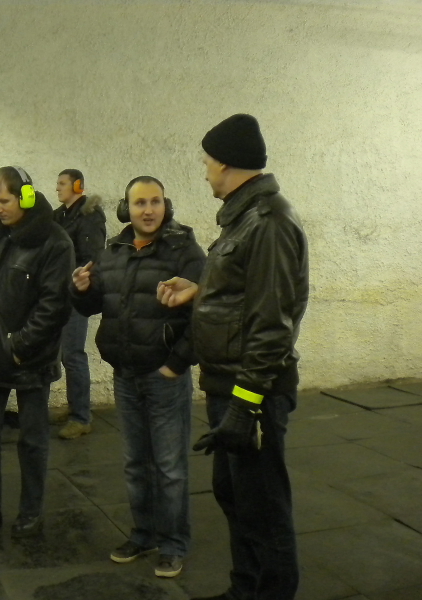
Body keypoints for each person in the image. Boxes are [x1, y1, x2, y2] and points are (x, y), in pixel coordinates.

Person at [159, 114, 309, 600]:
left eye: (207, 161)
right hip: (229, 384)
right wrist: (200, 290)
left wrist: (246, 406)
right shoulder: (245, 218)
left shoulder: (269, 221)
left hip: (253, 392)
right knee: (235, 497)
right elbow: (246, 295)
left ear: (225, 163)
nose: (204, 171)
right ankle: (245, 590)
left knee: (263, 508)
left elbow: (273, 323)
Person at [71, 176, 206, 578]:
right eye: (140, 203)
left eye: (155, 201)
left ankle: (174, 543)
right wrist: (81, 289)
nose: (148, 210)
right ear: (125, 209)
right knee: (135, 464)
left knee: (169, 467)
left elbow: (202, 315)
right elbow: (95, 305)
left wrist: (176, 364)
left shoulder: (184, 250)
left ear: (166, 205)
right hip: (126, 374)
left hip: (165, 376)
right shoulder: (113, 251)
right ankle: (144, 534)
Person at [0, 166, 74, 538]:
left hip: (30, 360)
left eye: (4, 200)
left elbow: (54, 305)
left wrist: (18, 346)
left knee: (32, 440)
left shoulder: (55, 242)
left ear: (25, 196)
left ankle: (30, 512)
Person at [52, 169, 106, 439]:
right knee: (65, 354)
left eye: (62, 183)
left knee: (73, 354)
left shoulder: (89, 216)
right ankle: (74, 407)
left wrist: (79, 284)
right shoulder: (60, 216)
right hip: (59, 292)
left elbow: (92, 257)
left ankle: (81, 417)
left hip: (76, 292)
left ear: (77, 186)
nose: (57, 188)